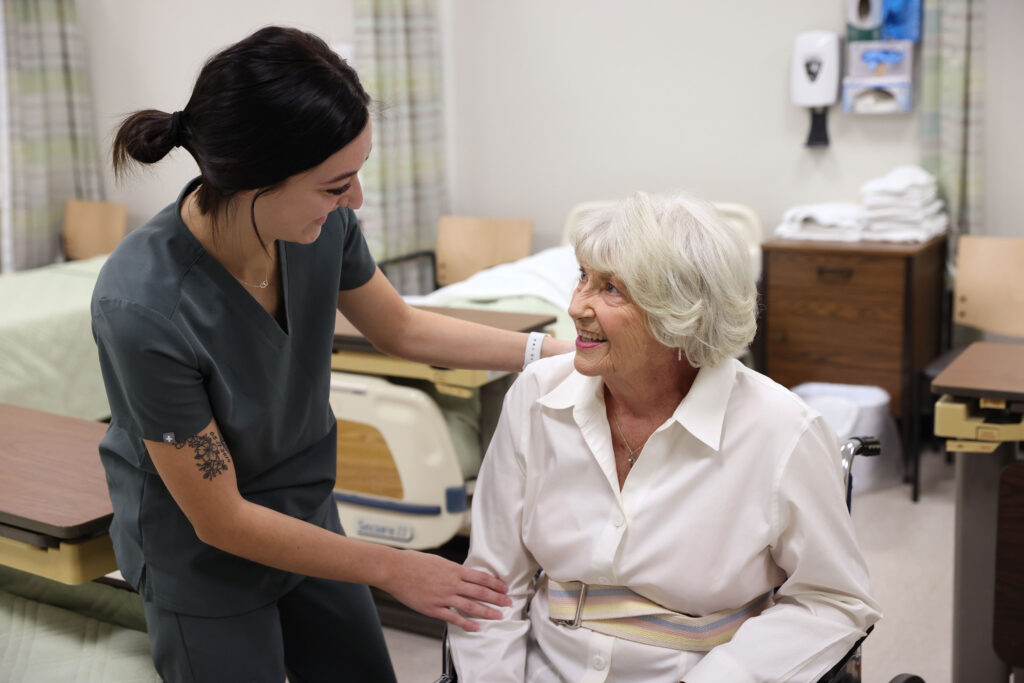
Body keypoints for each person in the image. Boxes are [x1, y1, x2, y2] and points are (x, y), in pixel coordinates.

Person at [91, 26, 571, 683]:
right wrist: (397, 566)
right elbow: (221, 517)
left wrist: (551, 351)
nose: (356, 200)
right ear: (254, 179)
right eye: (335, 184)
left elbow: (400, 327)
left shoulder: (320, 227)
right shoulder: (142, 307)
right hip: (201, 554)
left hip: (304, 508)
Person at [449, 192, 882, 682]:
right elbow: (490, 589)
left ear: (680, 313)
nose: (575, 306)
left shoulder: (780, 431)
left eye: (610, 289)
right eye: (582, 277)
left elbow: (833, 601)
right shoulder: (536, 398)